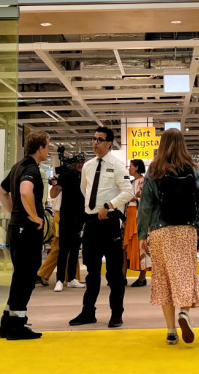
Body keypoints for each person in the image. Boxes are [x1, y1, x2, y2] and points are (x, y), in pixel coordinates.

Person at [137, 128, 199, 345]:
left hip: (160, 230)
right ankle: (184, 313)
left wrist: (142, 234)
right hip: (186, 230)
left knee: (164, 278)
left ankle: (170, 331)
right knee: (185, 273)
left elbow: (145, 206)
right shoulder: (193, 169)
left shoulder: (154, 170)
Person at [69, 127, 134, 328]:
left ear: (109, 143)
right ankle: (88, 312)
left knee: (114, 273)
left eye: (100, 139)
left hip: (109, 223)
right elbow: (84, 190)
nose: (95, 142)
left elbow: (128, 192)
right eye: (93, 138)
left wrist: (109, 205)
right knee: (92, 272)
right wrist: (94, 209)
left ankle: (116, 313)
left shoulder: (116, 166)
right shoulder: (88, 166)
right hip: (91, 224)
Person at [0, 131, 51, 340]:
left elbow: (1, 191)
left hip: (16, 227)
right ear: (40, 148)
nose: (48, 150)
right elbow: (26, 191)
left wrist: (14, 212)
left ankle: (7, 323)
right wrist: (34, 216)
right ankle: (17, 325)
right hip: (27, 230)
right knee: (26, 278)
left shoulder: (17, 166)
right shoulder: (31, 169)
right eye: (47, 146)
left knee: (20, 276)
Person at [41, 154, 85, 291]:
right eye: (78, 162)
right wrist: (56, 184)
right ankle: (60, 279)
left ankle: (71, 278)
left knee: (74, 251)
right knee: (62, 249)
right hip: (65, 216)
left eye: (82, 162)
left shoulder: (84, 177)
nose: (80, 164)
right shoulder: (66, 176)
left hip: (79, 217)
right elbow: (54, 194)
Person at [123, 159, 148, 287]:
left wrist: (133, 197)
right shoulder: (131, 182)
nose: (129, 168)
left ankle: (142, 277)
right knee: (127, 247)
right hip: (130, 214)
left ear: (137, 167)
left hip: (139, 215)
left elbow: (144, 198)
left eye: (131, 166)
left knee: (140, 246)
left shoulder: (145, 181)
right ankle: (123, 277)